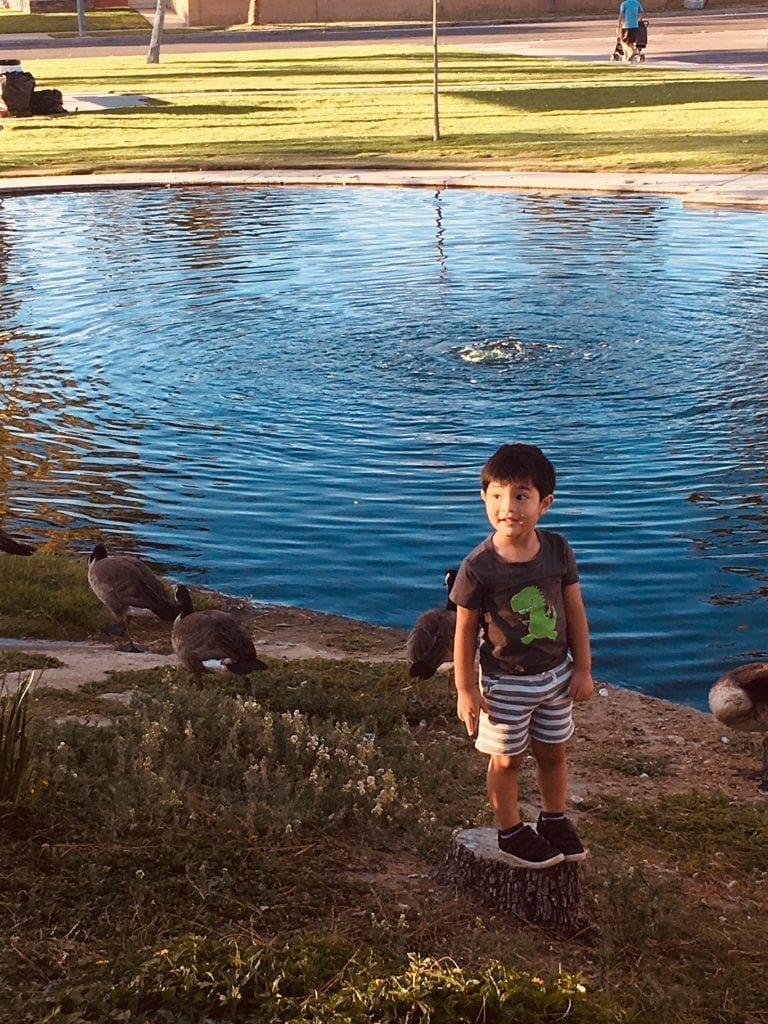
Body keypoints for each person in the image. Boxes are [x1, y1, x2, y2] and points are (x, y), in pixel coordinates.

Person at [451, 443, 594, 870]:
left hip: (555, 677)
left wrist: (583, 668)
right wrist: (465, 688)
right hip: (504, 682)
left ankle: (553, 820)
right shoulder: (478, 567)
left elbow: (575, 612)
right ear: (484, 498)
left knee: (554, 750)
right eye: (496, 495)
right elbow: (463, 631)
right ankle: (511, 830)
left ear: (544, 503)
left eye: (520, 495)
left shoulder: (557, 550)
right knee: (507, 758)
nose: (507, 506)